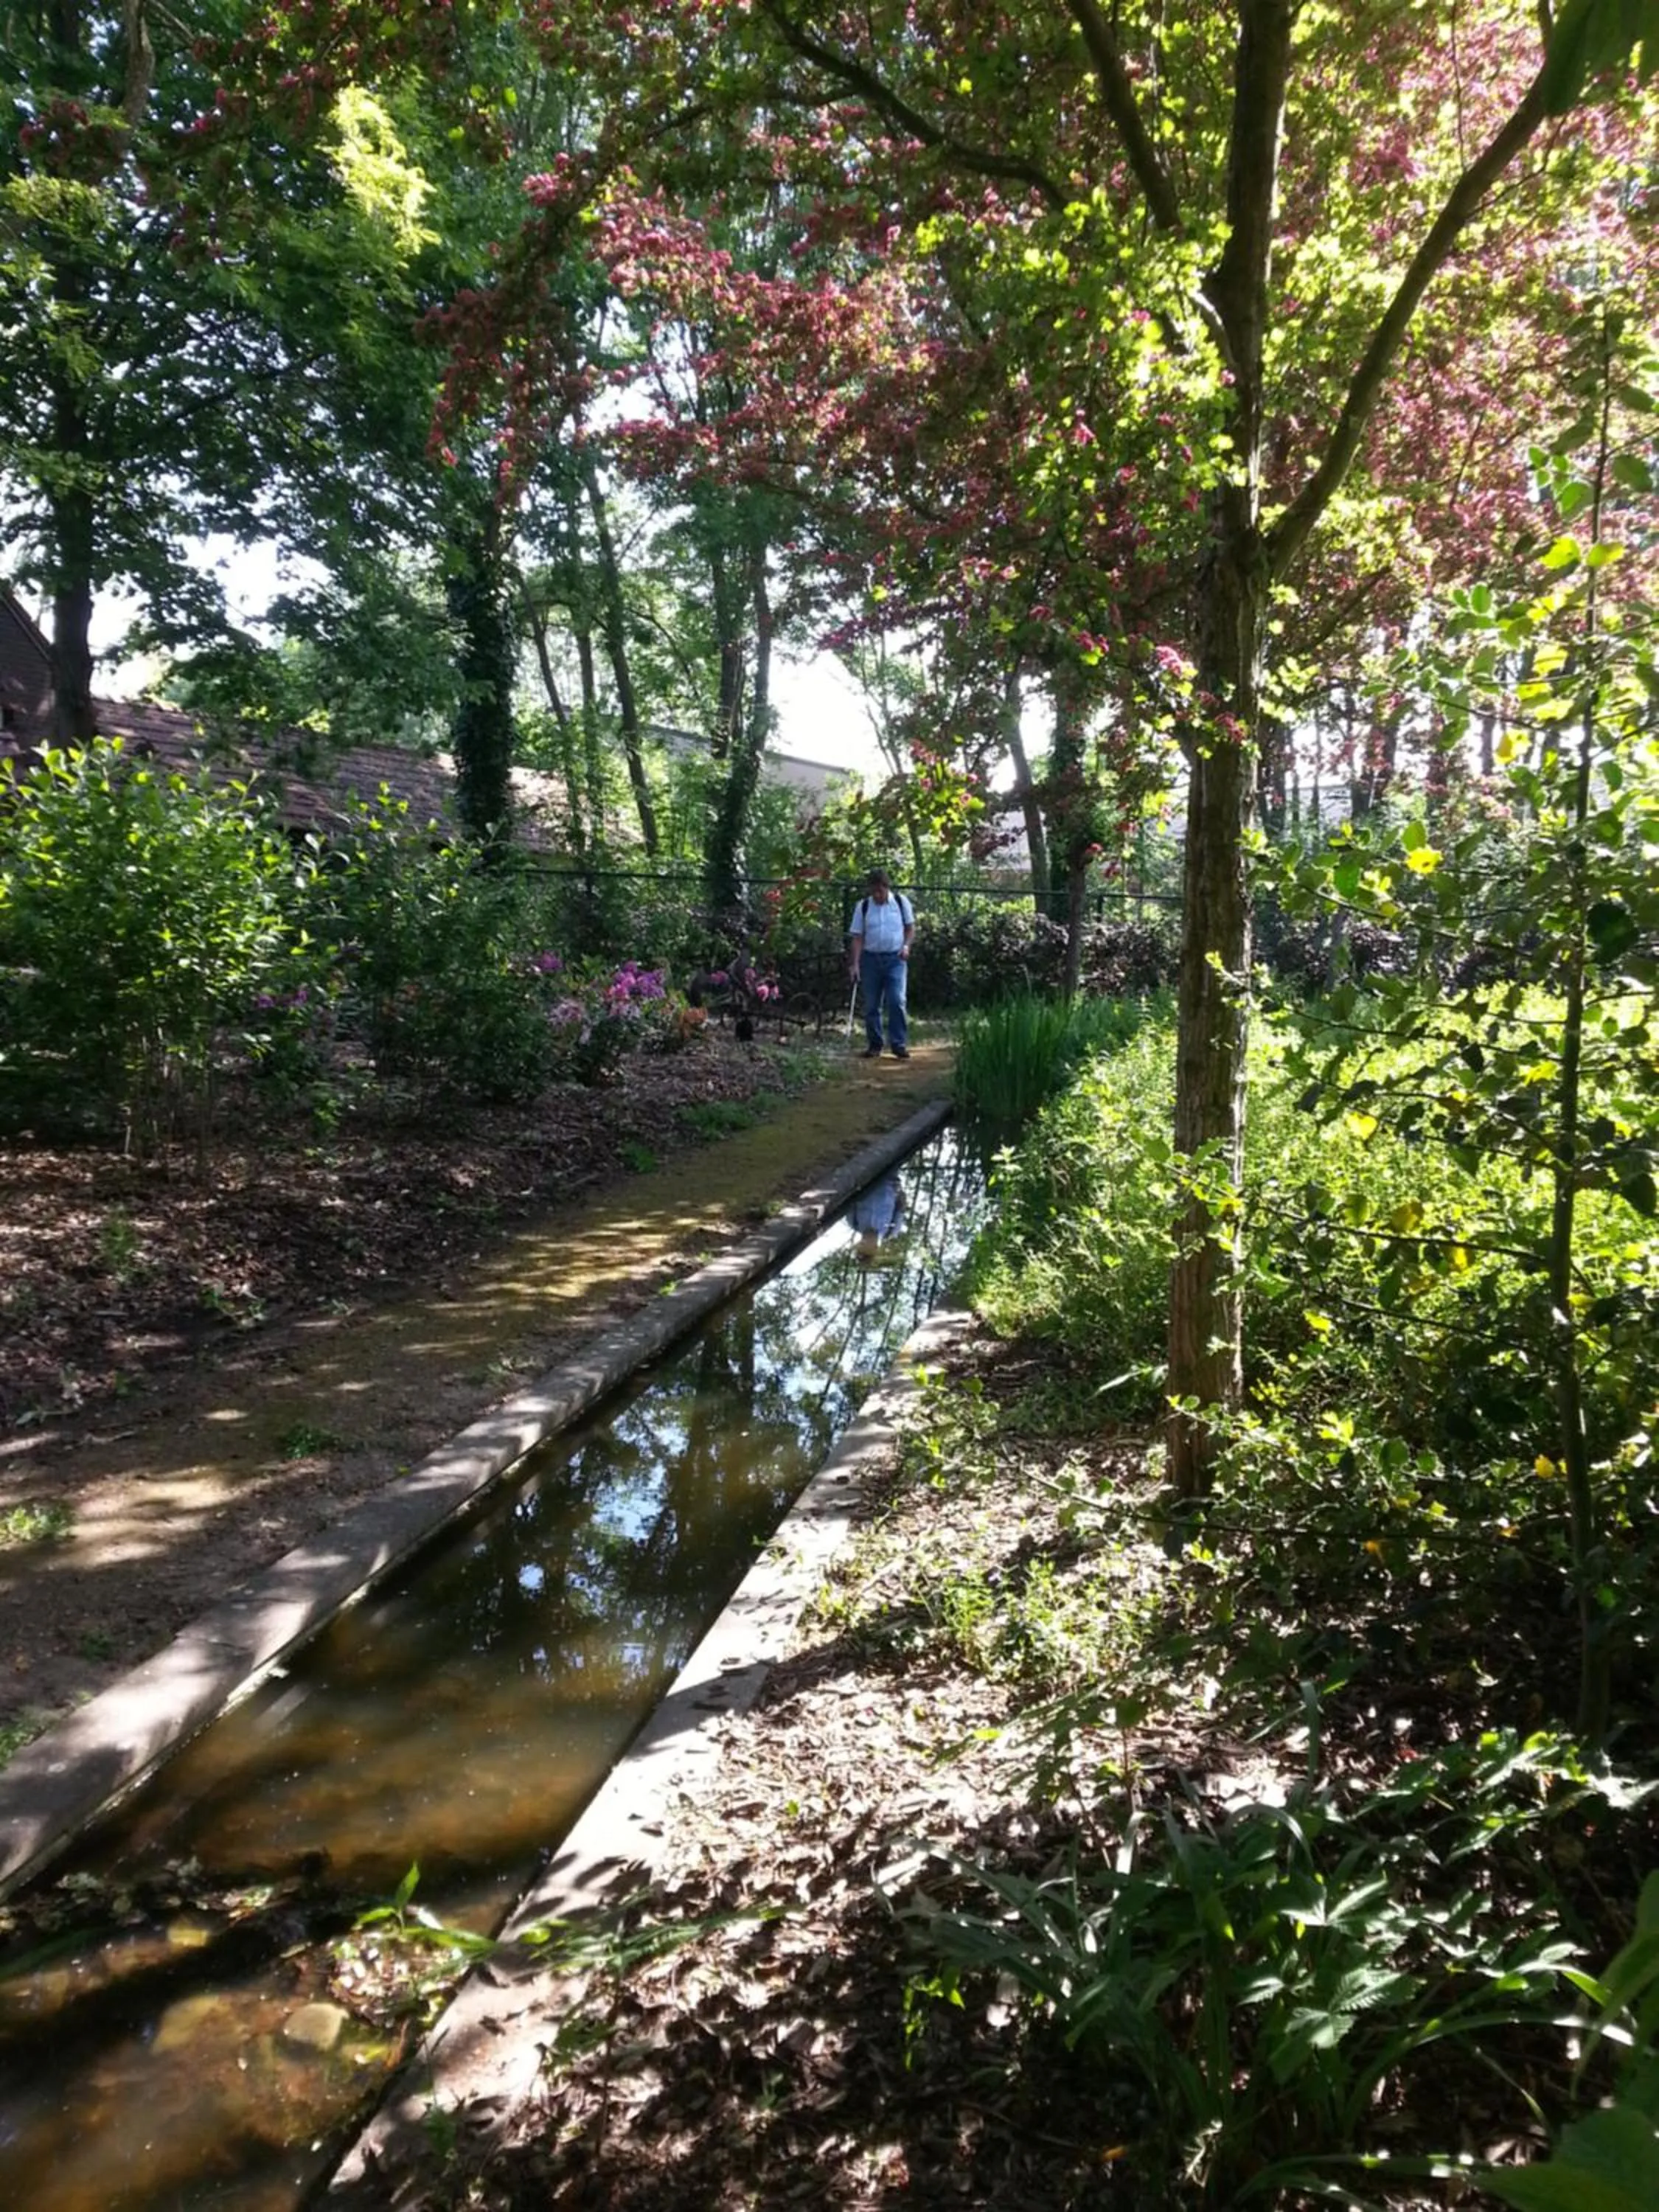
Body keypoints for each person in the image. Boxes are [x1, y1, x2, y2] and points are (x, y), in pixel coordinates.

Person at [847, 866, 916, 1060]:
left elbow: (910, 929)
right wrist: (855, 964)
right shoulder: (863, 907)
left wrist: (906, 946)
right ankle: (875, 1044)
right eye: (873, 891)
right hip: (871, 959)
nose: (877, 895)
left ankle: (898, 1044)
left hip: (896, 959)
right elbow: (857, 937)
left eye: (880, 891)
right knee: (871, 1005)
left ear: (887, 887)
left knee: (897, 1001)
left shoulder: (901, 903)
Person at [849, 1172, 906, 1262]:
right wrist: (899, 1189)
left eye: (861, 1244)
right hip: (889, 1179)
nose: (864, 1241)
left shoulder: (854, 1223)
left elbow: (850, 1201)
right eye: (866, 1246)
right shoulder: (891, 1230)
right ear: (875, 1248)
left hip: (865, 1177)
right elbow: (901, 1206)